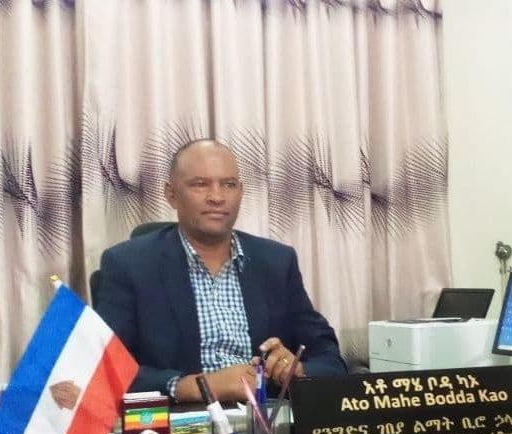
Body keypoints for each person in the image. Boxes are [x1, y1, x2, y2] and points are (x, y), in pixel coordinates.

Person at [95, 139, 348, 402]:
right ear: (171, 194)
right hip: (183, 418)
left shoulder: (276, 262)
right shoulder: (129, 265)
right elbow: (103, 368)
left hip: (265, 417)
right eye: (200, 184)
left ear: (241, 191)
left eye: (228, 184)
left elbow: (328, 358)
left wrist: (297, 370)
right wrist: (194, 386)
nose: (217, 197)